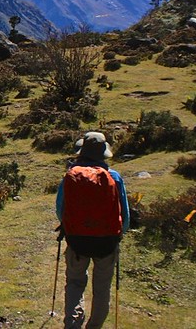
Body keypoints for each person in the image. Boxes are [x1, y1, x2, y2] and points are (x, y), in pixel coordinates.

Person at [55, 131, 130, 329]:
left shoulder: (71, 175)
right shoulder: (114, 177)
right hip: (107, 241)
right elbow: (126, 215)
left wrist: (70, 227)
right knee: (102, 286)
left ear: (82, 152)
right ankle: (94, 326)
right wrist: (119, 233)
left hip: (77, 241)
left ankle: (73, 324)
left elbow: (59, 209)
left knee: (75, 282)